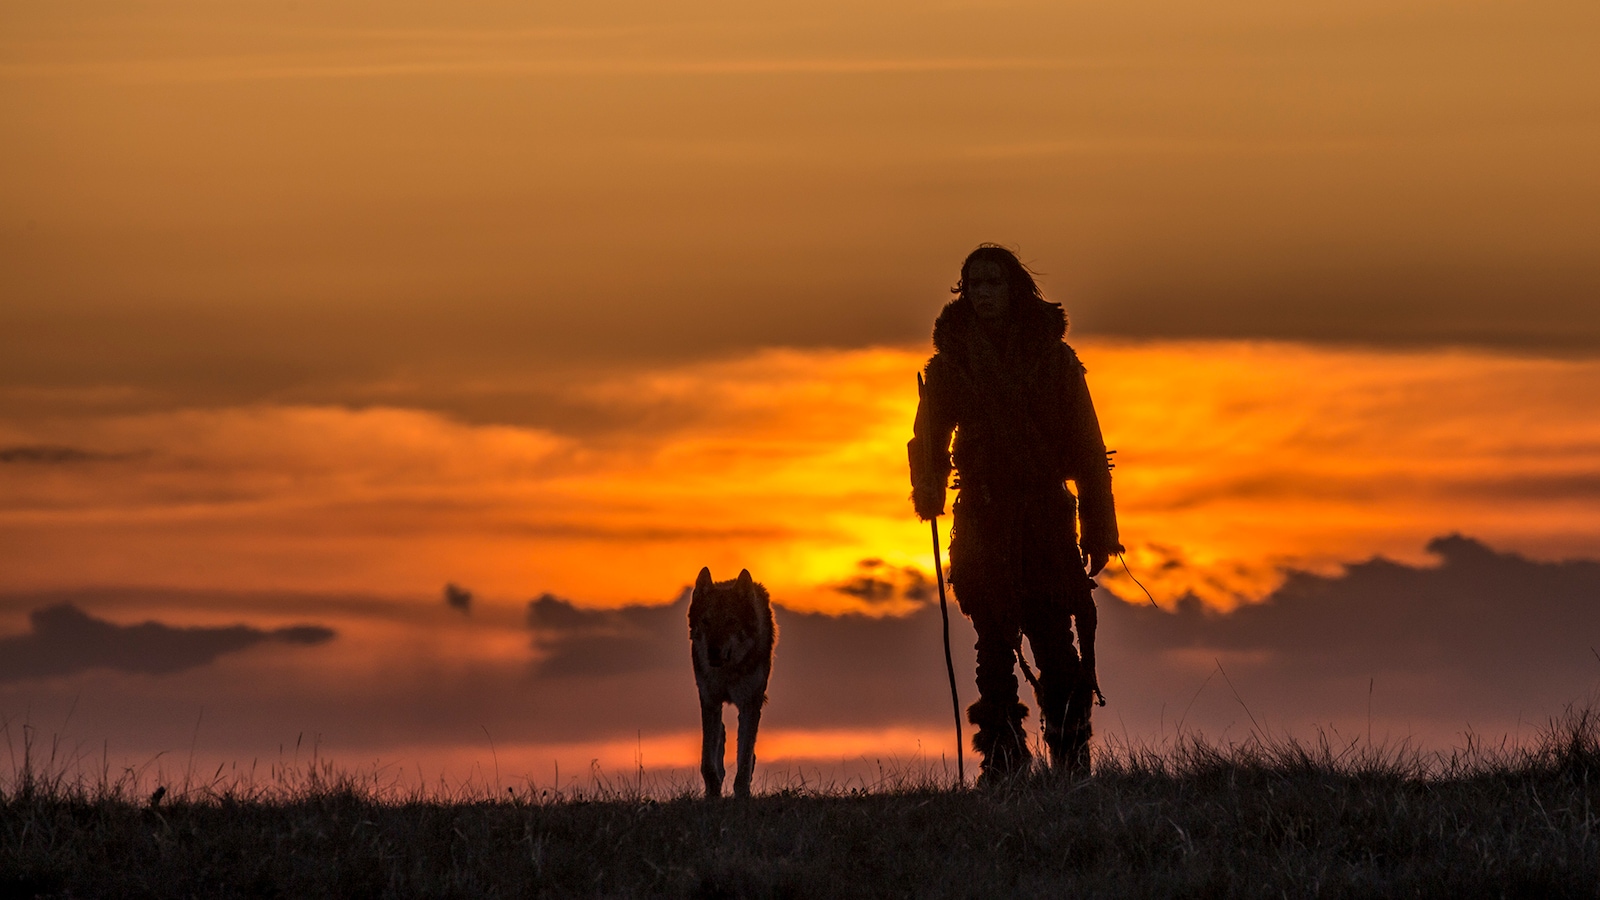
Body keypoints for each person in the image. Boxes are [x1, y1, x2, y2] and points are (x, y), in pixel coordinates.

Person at [908, 244, 1121, 780]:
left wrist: (1099, 528)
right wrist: (929, 488)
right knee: (994, 644)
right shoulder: (951, 364)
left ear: (1014, 290)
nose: (982, 294)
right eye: (973, 284)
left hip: (1047, 517)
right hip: (982, 518)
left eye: (992, 283)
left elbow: (1089, 446)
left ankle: (1071, 762)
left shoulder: (1054, 359)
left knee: (1054, 639)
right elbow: (927, 439)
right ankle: (1003, 765)